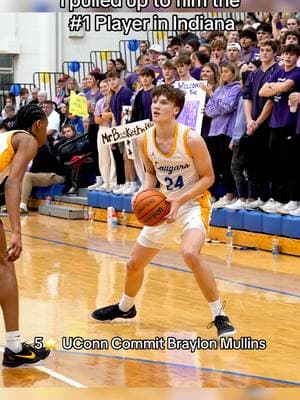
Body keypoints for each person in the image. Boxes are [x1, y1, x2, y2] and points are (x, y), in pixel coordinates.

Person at [91, 84, 236, 338]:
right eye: (155, 101)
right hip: (163, 206)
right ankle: (126, 307)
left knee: (190, 253)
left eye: (164, 103)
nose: (156, 106)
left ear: (176, 109)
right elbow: (150, 172)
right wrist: (144, 194)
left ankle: (219, 315)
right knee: (134, 265)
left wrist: (179, 200)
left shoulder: (191, 139)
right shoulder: (143, 138)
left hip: (192, 204)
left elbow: (208, 178)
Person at [0, 104, 51, 367]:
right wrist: (17, 231)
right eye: (46, 126)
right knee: (4, 266)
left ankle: (15, 345)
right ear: (38, 125)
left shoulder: (7, 137)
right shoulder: (29, 140)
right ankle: (14, 345)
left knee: (3, 266)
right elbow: (13, 183)